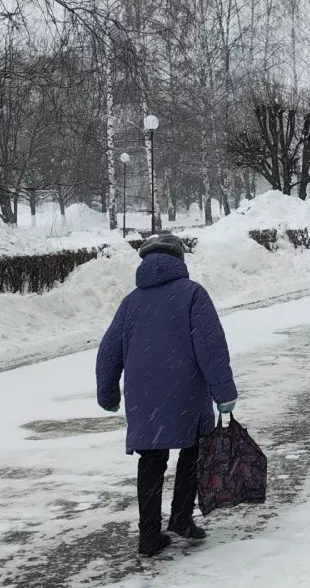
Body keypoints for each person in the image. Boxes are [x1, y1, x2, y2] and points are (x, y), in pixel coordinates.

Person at [96, 234, 239, 557]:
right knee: (192, 450)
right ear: (179, 260)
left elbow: (108, 351)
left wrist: (107, 393)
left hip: (142, 394)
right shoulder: (192, 294)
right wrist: (224, 393)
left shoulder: (131, 302)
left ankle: (148, 535)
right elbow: (211, 347)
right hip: (185, 389)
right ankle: (181, 518)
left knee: (151, 458)